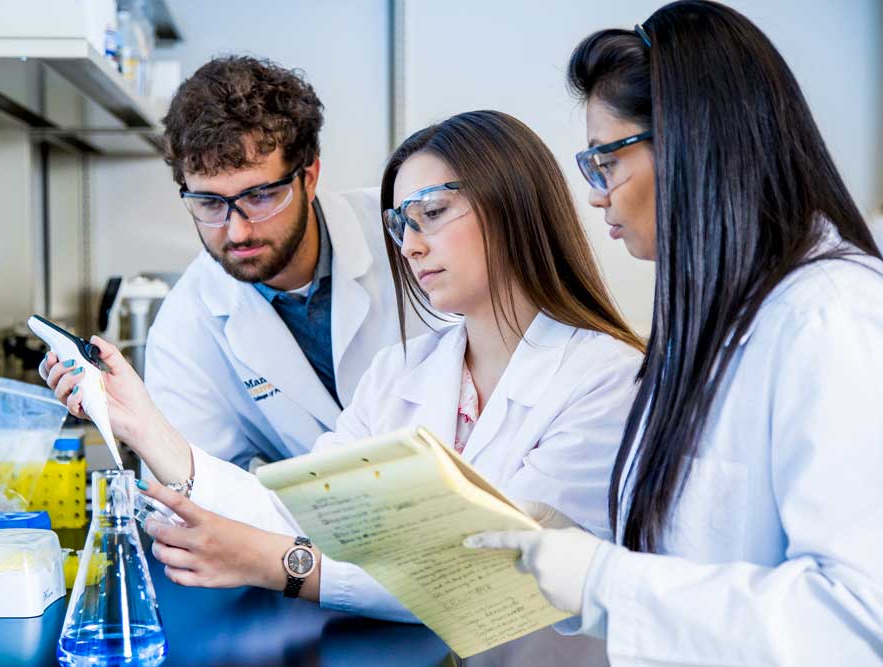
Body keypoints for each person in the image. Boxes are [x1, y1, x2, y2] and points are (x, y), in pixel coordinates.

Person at [43, 111, 643, 643]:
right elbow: (297, 509)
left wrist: (283, 565)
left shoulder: (606, 379)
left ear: (513, 206)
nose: (408, 246)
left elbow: (492, 575)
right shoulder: (404, 371)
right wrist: (142, 424)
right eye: (401, 222)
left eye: (431, 213)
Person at [466, 3, 883, 665]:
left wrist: (605, 581)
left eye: (606, 159)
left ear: (693, 142)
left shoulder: (831, 315)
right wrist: (582, 550)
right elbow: (702, 551)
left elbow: (858, 617)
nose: (598, 195)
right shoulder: (716, 316)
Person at [144, 55, 419, 471]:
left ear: (308, 177)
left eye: (260, 197)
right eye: (209, 203)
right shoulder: (185, 327)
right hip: (311, 529)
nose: (237, 231)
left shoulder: (404, 233)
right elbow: (190, 494)